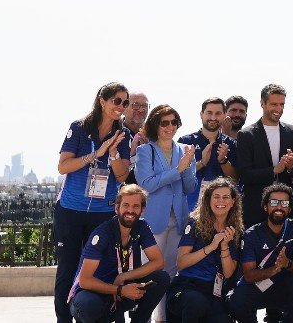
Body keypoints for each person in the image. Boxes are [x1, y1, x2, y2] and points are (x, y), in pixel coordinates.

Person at [55, 82, 135, 323]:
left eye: (124, 102)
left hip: (102, 213)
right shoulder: (79, 128)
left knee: (99, 270)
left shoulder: (123, 134)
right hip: (70, 210)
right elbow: (63, 166)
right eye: (116, 101)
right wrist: (95, 154)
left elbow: (122, 176)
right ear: (102, 100)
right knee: (67, 271)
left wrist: (112, 154)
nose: (120, 107)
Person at [68, 183, 168, 323]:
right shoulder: (102, 233)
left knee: (161, 278)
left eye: (136, 206)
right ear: (117, 208)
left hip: (123, 285)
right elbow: (85, 281)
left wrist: (124, 277)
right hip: (94, 292)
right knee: (88, 305)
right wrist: (119, 290)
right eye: (126, 205)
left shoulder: (142, 227)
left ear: (142, 210)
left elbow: (158, 262)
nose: (130, 211)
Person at [134, 104, 196, 318]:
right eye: (165, 122)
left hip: (179, 219)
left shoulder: (185, 150)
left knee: (171, 272)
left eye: (174, 122)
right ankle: (144, 317)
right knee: (150, 271)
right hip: (154, 220)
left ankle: (163, 318)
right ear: (155, 125)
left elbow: (189, 187)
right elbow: (147, 184)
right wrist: (177, 170)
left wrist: (187, 168)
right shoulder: (146, 151)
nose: (170, 127)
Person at [229, 183, 293, 323]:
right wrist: (273, 270)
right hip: (260, 285)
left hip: (285, 286)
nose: (279, 207)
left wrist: (286, 263)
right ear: (265, 206)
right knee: (236, 299)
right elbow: (248, 275)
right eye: (274, 202)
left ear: (289, 208)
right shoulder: (251, 234)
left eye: (284, 203)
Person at [169, 177, 241, 323]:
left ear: (233, 202)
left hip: (214, 291)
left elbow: (228, 273)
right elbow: (181, 263)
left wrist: (224, 246)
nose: (221, 201)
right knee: (196, 302)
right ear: (208, 199)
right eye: (216, 197)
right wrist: (211, 247)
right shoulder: (195, 223)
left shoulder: (235, 230)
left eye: (226, 197)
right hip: (187, 286)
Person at [236, 84, 293, 227]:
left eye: (282, 104)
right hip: (255, 209)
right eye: (274, 104)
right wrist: (274, 170)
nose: (279, 109)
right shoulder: (246, 135)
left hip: (285, 210)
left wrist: (292, 166)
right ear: (262, 103)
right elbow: (245, 174)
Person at [181, 97, 240, 192]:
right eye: (209, 113)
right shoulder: (185, 141)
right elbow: (178, 175)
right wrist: (202, 162)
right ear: (201, 114)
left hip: (221, 202)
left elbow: (236, 179)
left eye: (218, 113)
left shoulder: (231, 144)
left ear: (224, 115)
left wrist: (223, 161)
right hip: (191, 203)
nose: (213, 118)